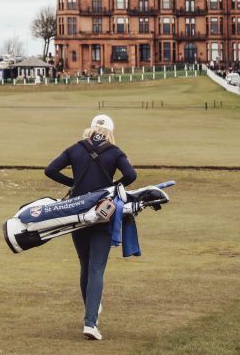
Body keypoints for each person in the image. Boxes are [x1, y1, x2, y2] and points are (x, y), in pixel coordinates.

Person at [44, 115, 136, 341]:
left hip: (77, 214)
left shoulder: (76, 148)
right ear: (110, 132)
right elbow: (131, 175)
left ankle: (91, 313)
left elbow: (50, 170)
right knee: (96, 268)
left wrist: (73, 185)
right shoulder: (115, 152)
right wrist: (112, 189)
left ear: (91, 129)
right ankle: (90, 322)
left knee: (85, 264)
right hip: (103, 213)